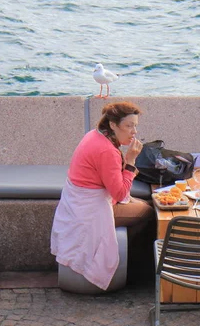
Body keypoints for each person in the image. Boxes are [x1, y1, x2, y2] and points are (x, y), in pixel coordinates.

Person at [50, 101, 155, 291]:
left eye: (135, 126)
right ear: (113, 125)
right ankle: (133, 268)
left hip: (76, 202)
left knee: (141, 205)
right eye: (128, 126)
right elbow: (120, 193)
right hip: (89, 209)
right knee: (148, 212)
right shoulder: (107, 150)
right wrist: (130, 162)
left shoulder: (95, 135)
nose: (134, 132)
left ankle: (129, 261)